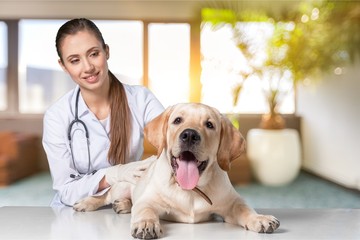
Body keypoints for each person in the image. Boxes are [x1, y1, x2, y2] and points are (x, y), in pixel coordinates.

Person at [42, 18, 164, 207]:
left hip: (127, 205)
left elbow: (172, 139)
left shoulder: (140, 99)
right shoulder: (57, 116)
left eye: (94, 54)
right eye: (75, 60)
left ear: (106, 51)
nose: (88, 67)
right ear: (64, 66)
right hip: (74, 212)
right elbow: (66, 190)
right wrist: (113, 175)